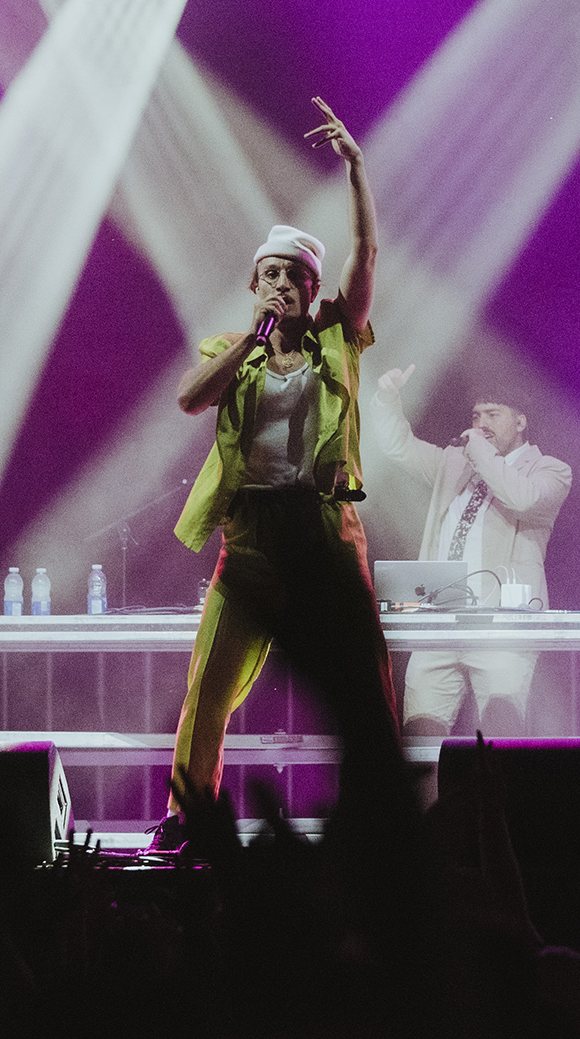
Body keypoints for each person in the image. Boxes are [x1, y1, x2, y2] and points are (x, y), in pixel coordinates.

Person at [161, 97, 392, 841]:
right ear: (253, 286)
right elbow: (190, 400)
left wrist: (355, 169)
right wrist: (248, 343)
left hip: (324, 530)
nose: (279, 285)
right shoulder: (234, 352)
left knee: (363, 682)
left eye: (292, 276)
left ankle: (378, 817)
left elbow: (367, 255)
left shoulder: (338, 336)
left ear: (312, 288)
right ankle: (188, 817)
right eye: (267, 274)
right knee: (208, 687)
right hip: (252, 537)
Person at [367, 367, 571, 737]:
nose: (481, 425)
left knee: (499, 738)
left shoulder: (550, 470)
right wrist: (386, 400)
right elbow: (398, 446)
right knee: (421, 738)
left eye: (493, 414)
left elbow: (522, 498)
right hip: (439, 622)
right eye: (476, 416)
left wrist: (479, 450)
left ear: (521, 422)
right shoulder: (455, 463)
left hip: (502, 627)